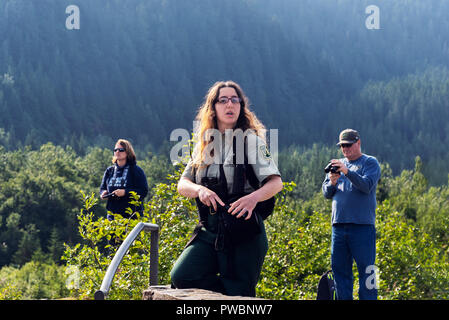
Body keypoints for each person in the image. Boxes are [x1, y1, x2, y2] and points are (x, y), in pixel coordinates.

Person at [170, 80, 283, 297]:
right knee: (182, 276)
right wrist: (199, 190)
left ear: (241, 106)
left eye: (235, 100)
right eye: (223, 100)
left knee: (240, 292)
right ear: (213, 107)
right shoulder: (205, 143)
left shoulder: (251, 140)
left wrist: (253, 198)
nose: (229, 104)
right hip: (210, 230)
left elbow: (275, 183)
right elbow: (182, 184)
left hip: (244, 231)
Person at [322, 129, 381, 300]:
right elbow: (326, 193)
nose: (345, 149)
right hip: (339, 227)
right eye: (342, 146)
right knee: (340, 272)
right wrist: (332, 182)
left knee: (369, 270)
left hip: (363, 226)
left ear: (358, 143)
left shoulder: (370, 162)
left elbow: (366, 185)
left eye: (348, 145)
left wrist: (347, 172)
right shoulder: (337, 164)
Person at [100, 139, 149, 220]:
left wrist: (125, 192)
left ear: (128, 152)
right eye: (115, 150)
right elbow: (102, 188)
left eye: (121, 150)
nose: (117, 152)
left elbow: (143, 191)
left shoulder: (136, 170)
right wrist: (103, 193)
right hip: (112, 217)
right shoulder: (109, 171)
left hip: (131, 217)